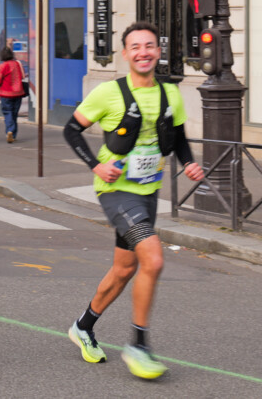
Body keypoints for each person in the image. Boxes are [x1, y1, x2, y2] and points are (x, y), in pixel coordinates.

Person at [63, 21, 204, 380]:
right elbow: (71, 129)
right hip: (116, 192)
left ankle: (83, 326)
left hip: (148, 192)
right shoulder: (108, 93)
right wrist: (97, 165)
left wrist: (188, 164)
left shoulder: (170, 93)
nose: (143, 52)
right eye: (135, 47)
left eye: (150, 46)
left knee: (125, 268)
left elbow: (180, 138)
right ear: (125, 54)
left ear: (158, 51)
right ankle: (139, 345)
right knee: (153, 260)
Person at [0, 46, 26, 143]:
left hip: (6, 92)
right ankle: (14, 134)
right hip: (18, 92)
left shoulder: (2, 66)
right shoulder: (17, 64)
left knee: (8, 112)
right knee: (14, 113)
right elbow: (23, 76)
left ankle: (10, 131)